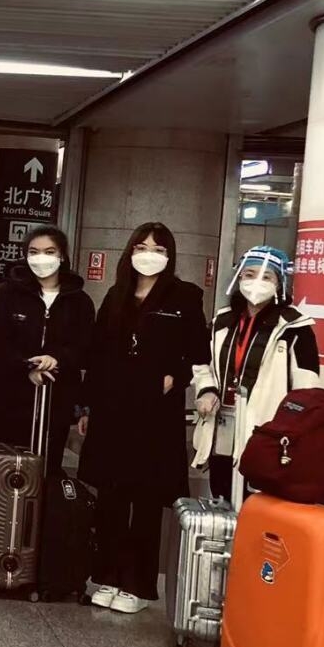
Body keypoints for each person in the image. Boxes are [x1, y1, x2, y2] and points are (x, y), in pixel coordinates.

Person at [79, 222, 211, 614]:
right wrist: (87, 406)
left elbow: (197, 353)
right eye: (141, 246)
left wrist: (175, 377)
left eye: (158, 248)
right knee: (111, 496)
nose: (149, 254)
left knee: (147, 499)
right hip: (112, 408)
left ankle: (137, 584)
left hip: (155, 412)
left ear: (169, 256)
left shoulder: (185, 296)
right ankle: (106, 576)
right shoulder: (116, 294)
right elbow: (97, 353)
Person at [192, 245, 320, 503]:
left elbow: (307, 387)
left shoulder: (296, 328)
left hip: (268, 432)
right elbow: (202, 362)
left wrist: (291, 427)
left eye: (266, 276)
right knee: (222, 495)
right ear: (239, 277)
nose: (256, 282)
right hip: (223, 424)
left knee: (257, 502)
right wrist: (206, 390)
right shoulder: (222, 321)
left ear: (279, 283)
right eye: (249, 274)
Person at [0, 226, 95, 480]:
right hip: (10, 395)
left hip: (57, 396)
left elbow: (85, 348)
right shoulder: (7, 294)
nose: (41, 258)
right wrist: (27, 368)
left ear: (62, 256)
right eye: (34, 252)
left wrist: (57, 359)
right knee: (7, 466)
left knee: (47, 468)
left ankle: (43, 505)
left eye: (49, 251)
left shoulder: (79, 301)